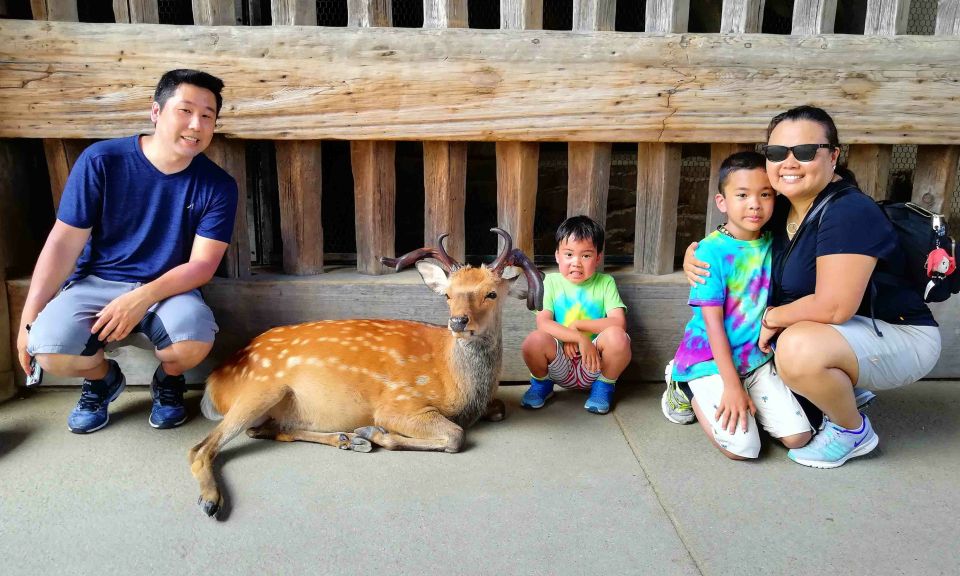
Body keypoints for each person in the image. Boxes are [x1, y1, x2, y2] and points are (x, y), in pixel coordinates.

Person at [684, 106, 941, 468]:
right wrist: (693, 254)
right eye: (776, 153)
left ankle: (852, 431)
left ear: (833, 156)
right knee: (790, 375)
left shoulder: (848, 211)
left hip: (899, 335)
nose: (789, 162)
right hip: (843, 335)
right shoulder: (783, 208)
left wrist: (772, 318)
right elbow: (733, 241)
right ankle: (828, 388)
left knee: (797, 348)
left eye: (804, 152)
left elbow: (835, 307)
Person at [15, 69, 238, 434]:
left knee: (192, 342)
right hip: (96, 281)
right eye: (184, 110)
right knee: (47, 348)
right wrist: (29, 316)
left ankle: (168, 383)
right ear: (156, 112)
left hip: (167, 288)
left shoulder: (218, 185)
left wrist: (142, 297)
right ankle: (103, 380)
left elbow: (201, 265)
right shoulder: (102, 160)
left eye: (207, 115)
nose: (196, 124)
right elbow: (63, 241)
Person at [664, 151, 812, 460]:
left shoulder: (776, 243)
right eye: (742, 195)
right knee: (744, 450)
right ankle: (682, 387)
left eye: (765, 194)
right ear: (722, 202)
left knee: (798, 438)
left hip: (755, 358)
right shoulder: (711, 253)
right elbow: (713, 324)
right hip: (709, 359)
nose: (754, 204)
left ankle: (745, 398)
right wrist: (732, 386)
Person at [519, 215, 632, 414]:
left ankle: (603, 387)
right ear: (557, 256)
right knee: (534, 341)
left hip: (595, 364)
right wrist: (578, 338)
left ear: (598, 258)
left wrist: (579, 326)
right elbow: (543, 323)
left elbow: (618, 322)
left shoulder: (605, 283)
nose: (576, 263)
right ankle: (542, 385)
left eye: (586, 256)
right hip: (560, 363)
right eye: (569, 254)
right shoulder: (552, 283)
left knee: (618, 337)